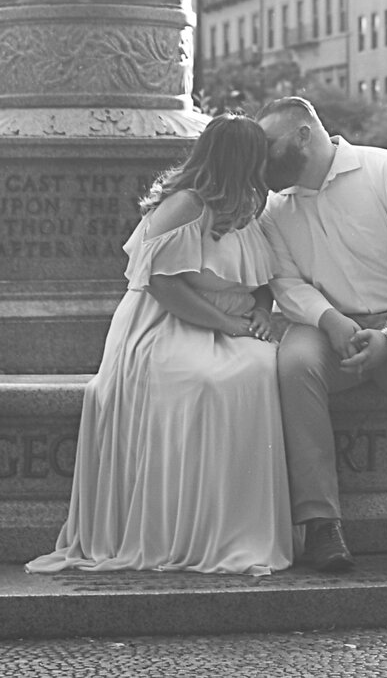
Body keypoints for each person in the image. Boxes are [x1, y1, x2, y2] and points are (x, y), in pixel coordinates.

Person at [26, 114, 290, 575]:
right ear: (239, 159)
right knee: (207, 381)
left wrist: (262, 313)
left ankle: (233, 523)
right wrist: (227, 325)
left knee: (265, 367)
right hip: (166, 324)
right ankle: (186, 528)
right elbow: (162, 285)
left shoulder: (250, 206)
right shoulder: (186, 205)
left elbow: (264, 277)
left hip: (231, 321)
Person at [257, 95, 387, 575]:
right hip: (331, 327)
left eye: (268, 144)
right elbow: (284, 282)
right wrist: (330, 320)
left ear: (304, 135)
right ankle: (321, 525)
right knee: (293, 365)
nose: (260, 157)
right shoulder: (275, 209)